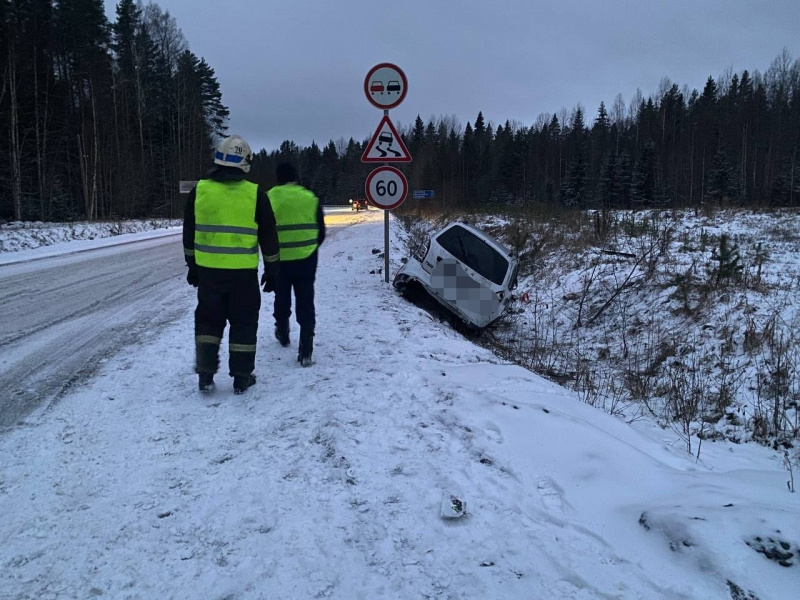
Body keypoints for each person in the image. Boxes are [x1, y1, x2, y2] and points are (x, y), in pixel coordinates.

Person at [183, 134, 280, 393]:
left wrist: (192, 265)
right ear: (244, 163)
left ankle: (205, 375)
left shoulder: (200, 190)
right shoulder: (255, 194)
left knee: (208, 323)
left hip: (209, 275)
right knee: (244, 324)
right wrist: (272, 271)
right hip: (243, 277)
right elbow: (268, 236)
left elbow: (189, 232)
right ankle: (241, 377)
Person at [268, 163, 326, 367]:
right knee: (306, 299)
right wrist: (308, 247)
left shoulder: (270, 197)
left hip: (279, 259)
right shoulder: (310, 198)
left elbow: (264, 229)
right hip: (306, 258)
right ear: (296, 176)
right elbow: (321, 232)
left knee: (281, 296)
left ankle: (283, 332)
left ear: (278, 177)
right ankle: (306, 350)